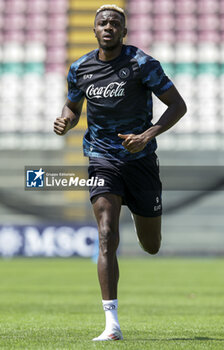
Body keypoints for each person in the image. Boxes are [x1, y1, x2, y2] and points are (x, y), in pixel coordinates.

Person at [54, 4, 187, 341]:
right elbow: (73, 105)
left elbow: (178, 105)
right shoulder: (80, 68)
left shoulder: (141, 64)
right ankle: (111, 324)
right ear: (94, 30)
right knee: (105, 234)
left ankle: (138, 210)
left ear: (124, 32)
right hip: (102, 160)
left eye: (115, 22)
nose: (109, 26)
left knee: (151, 245)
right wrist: (66, 119)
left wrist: (146, 136)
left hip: (140, 163)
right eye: (103, 22)